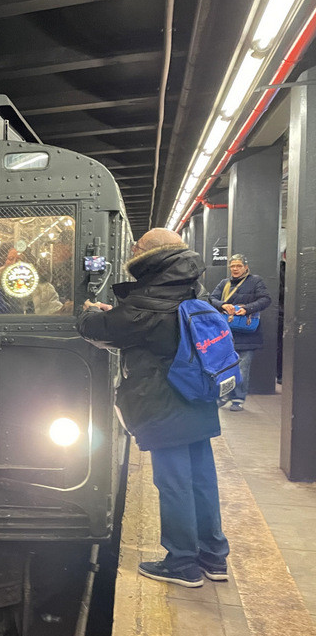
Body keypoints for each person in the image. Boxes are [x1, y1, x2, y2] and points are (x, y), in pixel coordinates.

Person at [77, 228, 229, 588]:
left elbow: (102, 330)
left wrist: (87, 313)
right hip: (198, 396)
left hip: (165, 404)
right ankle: (213, 557)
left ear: (149, 255)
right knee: (203, 480)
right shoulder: (192, 287)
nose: (132, 249)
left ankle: (183, 563)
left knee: (174, 483)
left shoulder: (148, 300)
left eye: (137, 247)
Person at [209, 253, 271, 411]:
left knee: (243, 369)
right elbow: (211, 299)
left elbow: (265, 299)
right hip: (227, 333)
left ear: (246, 267)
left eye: (238, 266)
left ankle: (237, 399)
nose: (235, 269)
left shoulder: (256, 281)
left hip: (248, 333)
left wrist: (247, 309)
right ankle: (224, 395)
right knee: (225, 367)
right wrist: (223, 305)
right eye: (232, 266)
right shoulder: (224, 283)